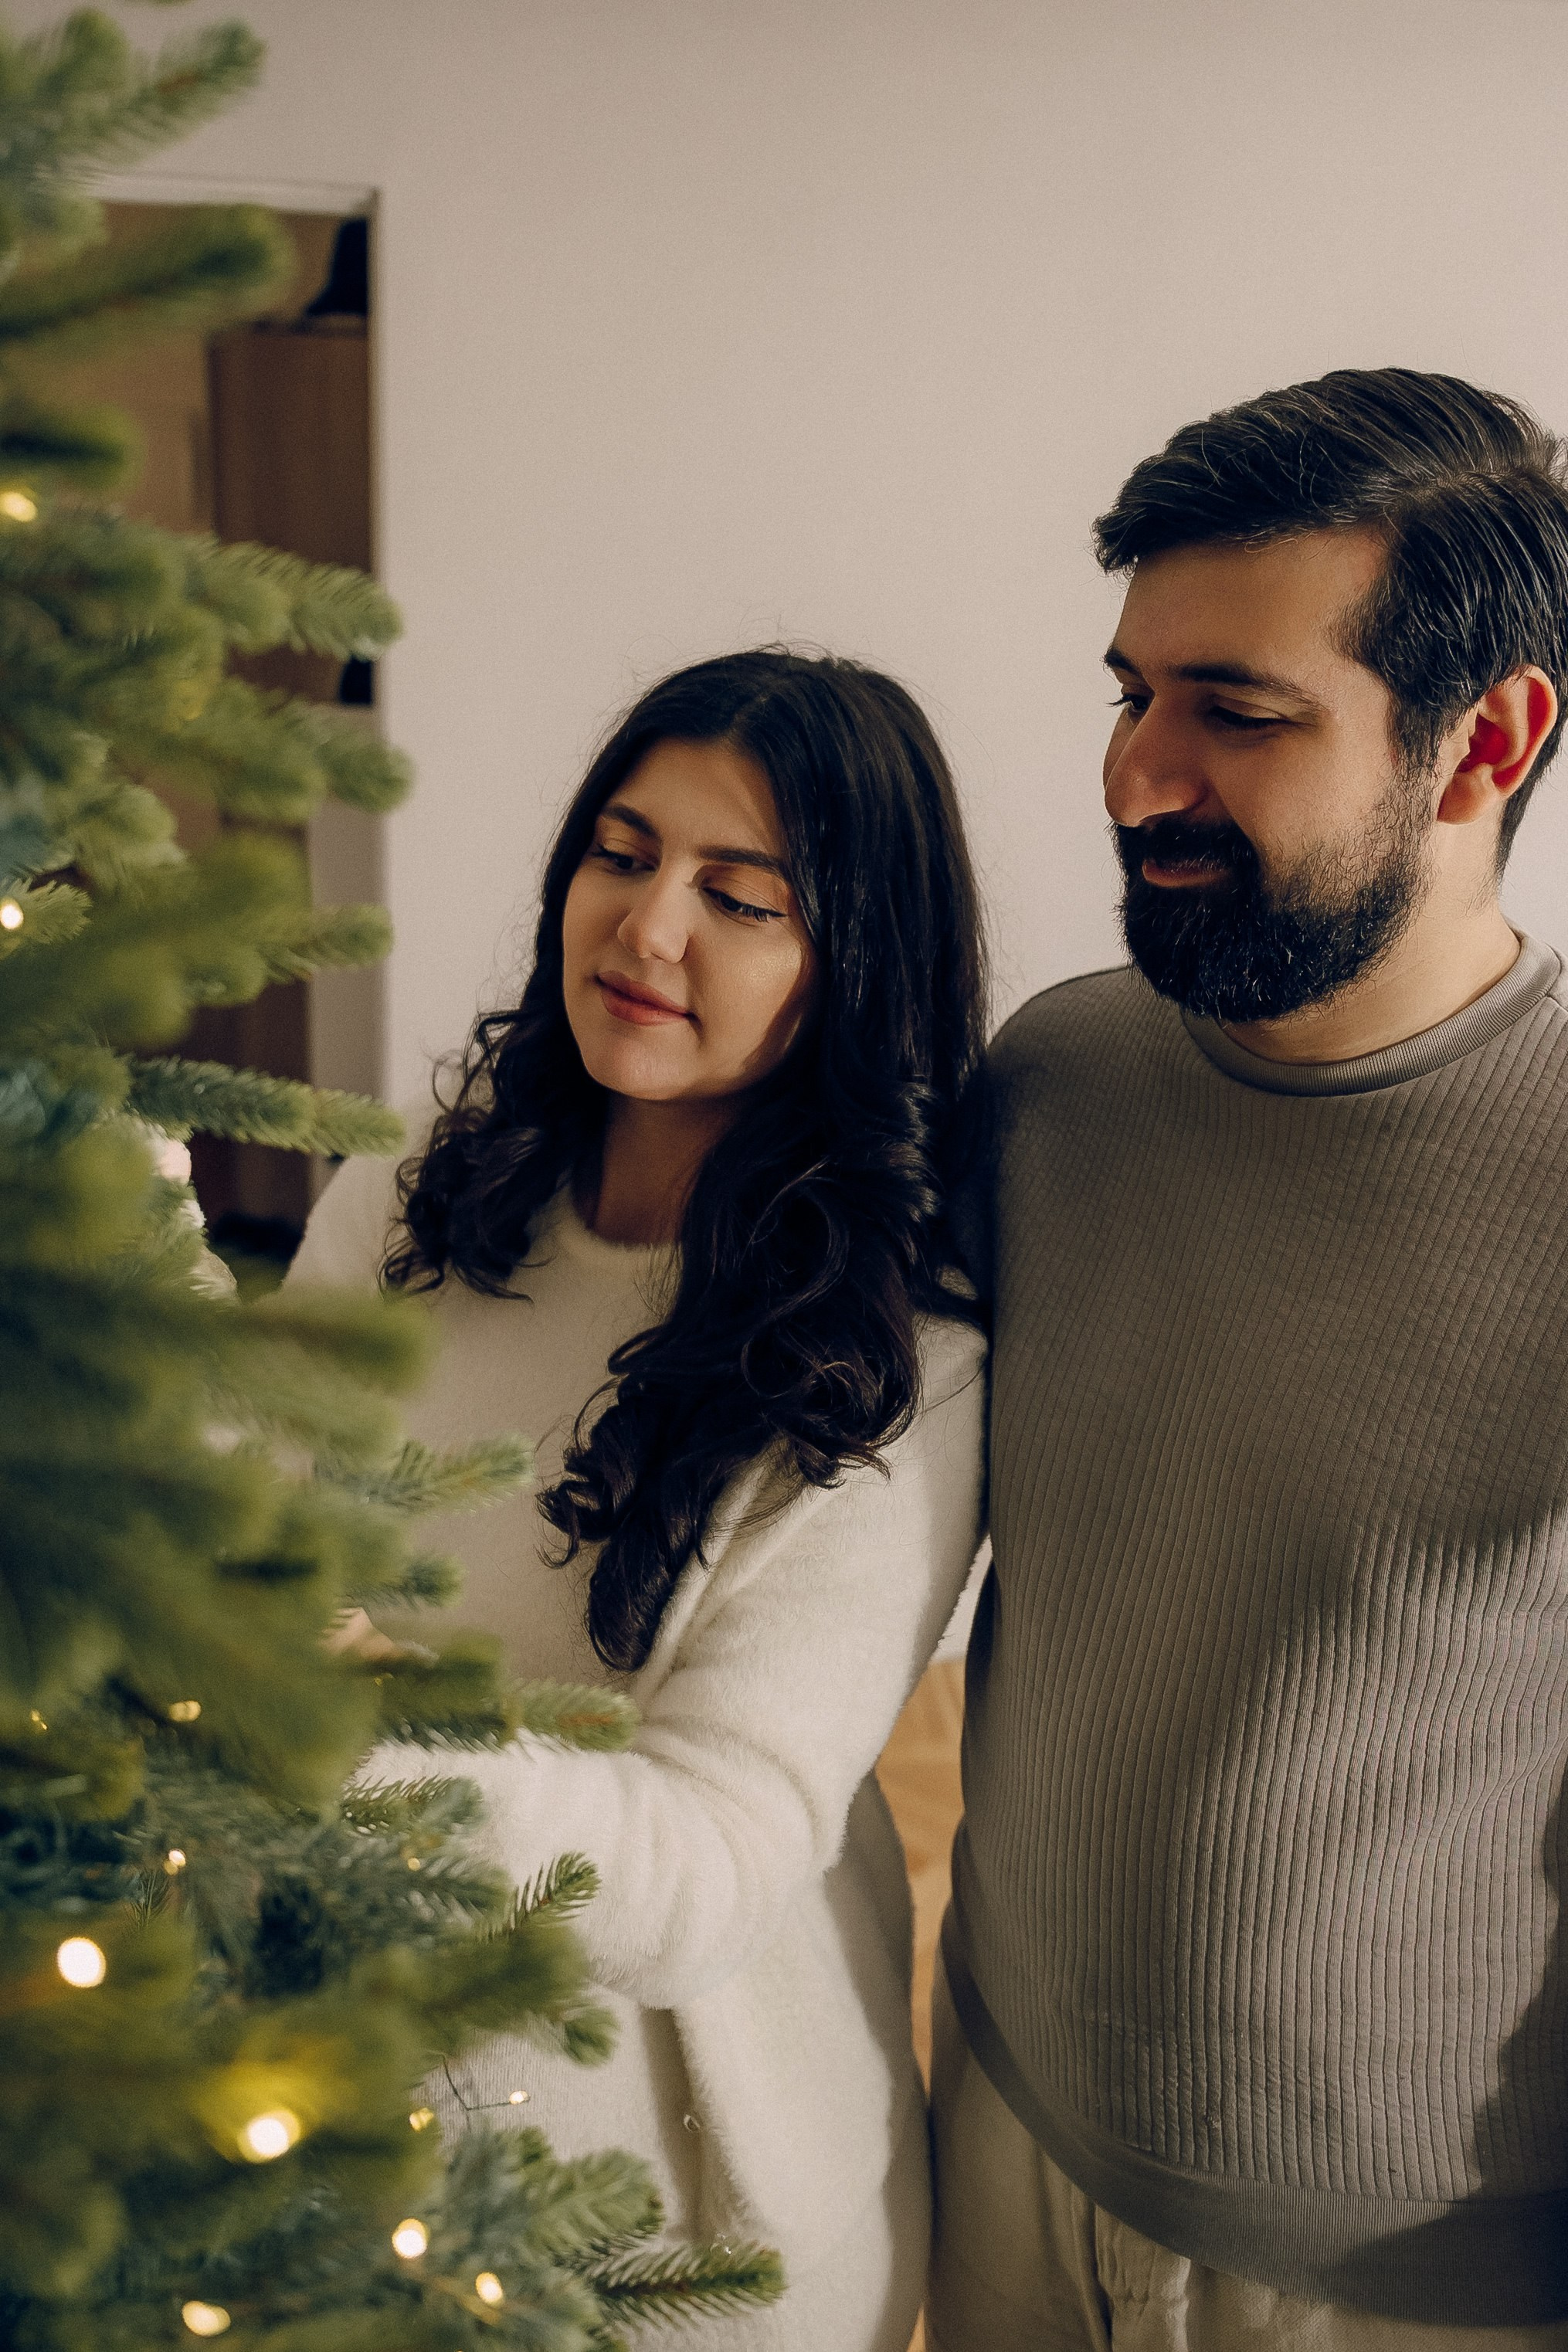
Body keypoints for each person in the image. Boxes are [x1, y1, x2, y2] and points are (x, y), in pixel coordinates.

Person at [929, 369, 1568, 2350]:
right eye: (1132, 691)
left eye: (1239, 710)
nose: (1133, 774)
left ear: (1487, 741)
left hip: (1405, 2284)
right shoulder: (1055, 1073)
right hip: (1000, 2141)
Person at [288, 648, 988, 2351]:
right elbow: (239, 1513)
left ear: (852, 965)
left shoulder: (903, 1359)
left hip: (666, 2220)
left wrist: (341, 1731)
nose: (646, 927)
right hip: (315, 2100)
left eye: (740, 897)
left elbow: (710, 1864)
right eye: (621, 852)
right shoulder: (409, 1191)